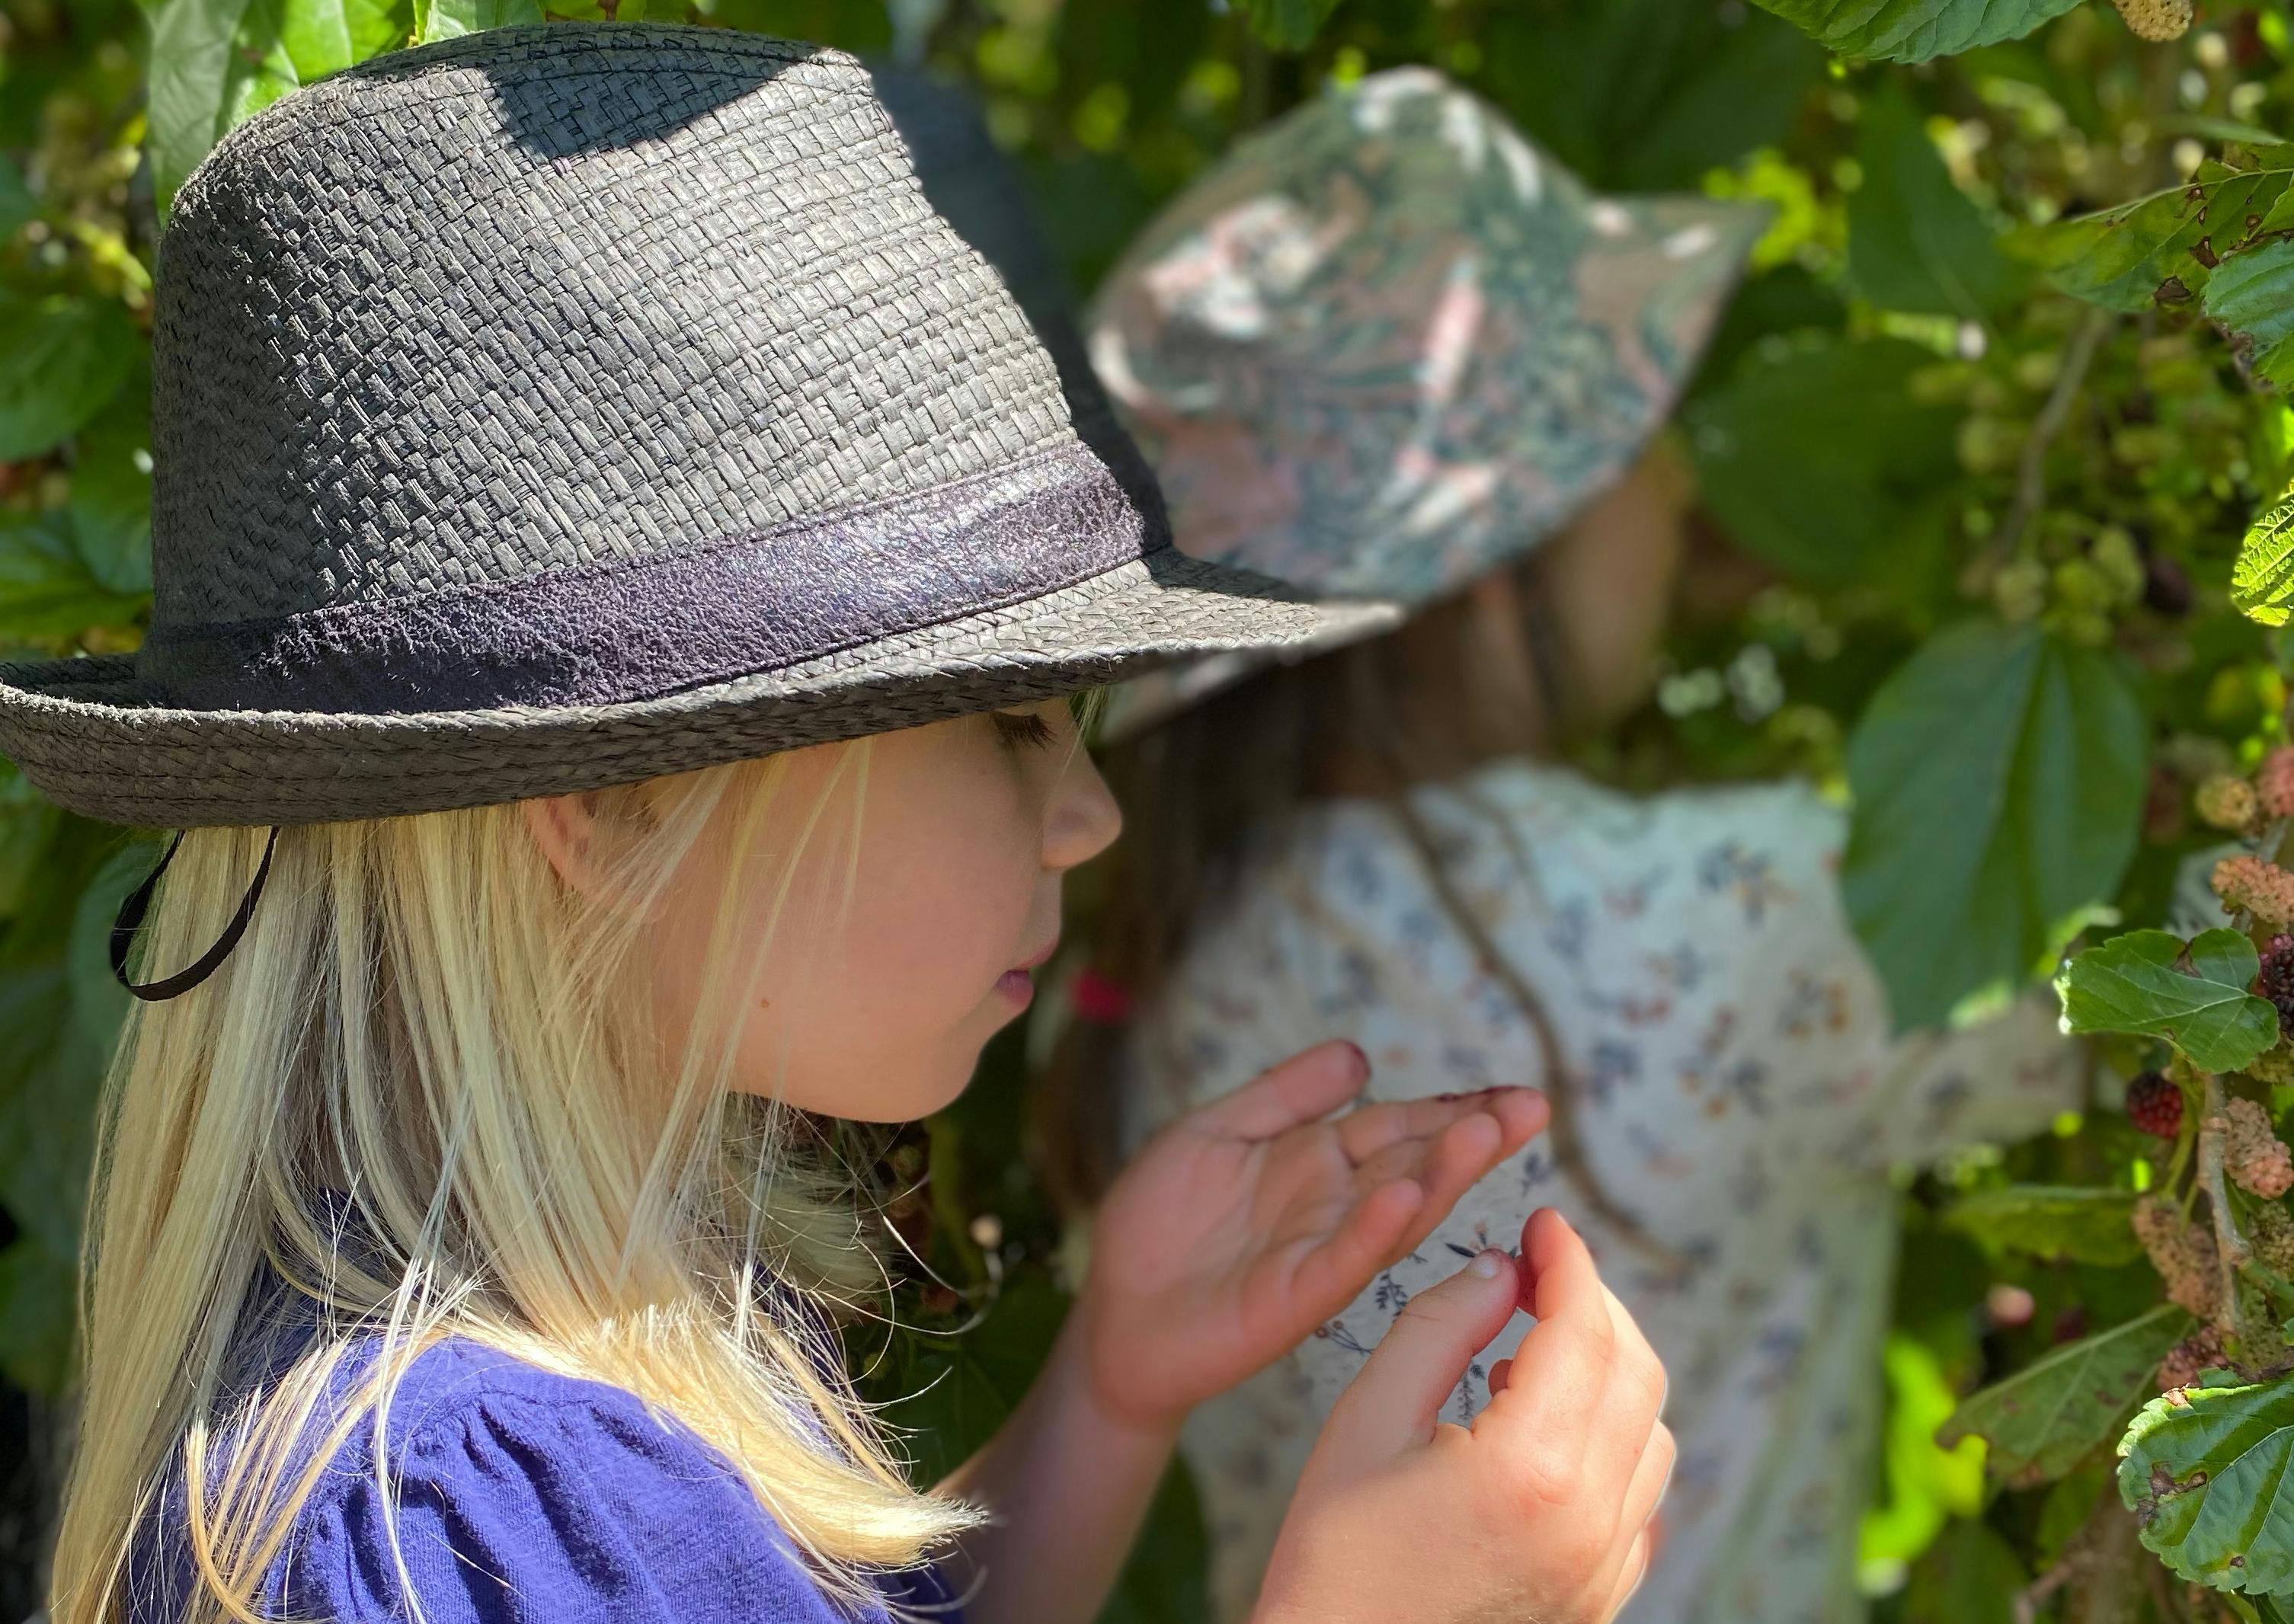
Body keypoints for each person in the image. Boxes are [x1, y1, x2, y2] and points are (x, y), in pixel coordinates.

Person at [0, 30, 1675, 1624]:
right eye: (1008, 722)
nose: (1088, 815)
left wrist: (1108, 1386)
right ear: (607, 798)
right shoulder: (439, 1527)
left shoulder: (577, 1356)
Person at [1062, 68, 2083, 1624]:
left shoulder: (1176, 943)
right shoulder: (1757, 911)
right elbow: (2156, 1004)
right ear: (1492, 550)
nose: (1675, 482)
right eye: (1633, 438)